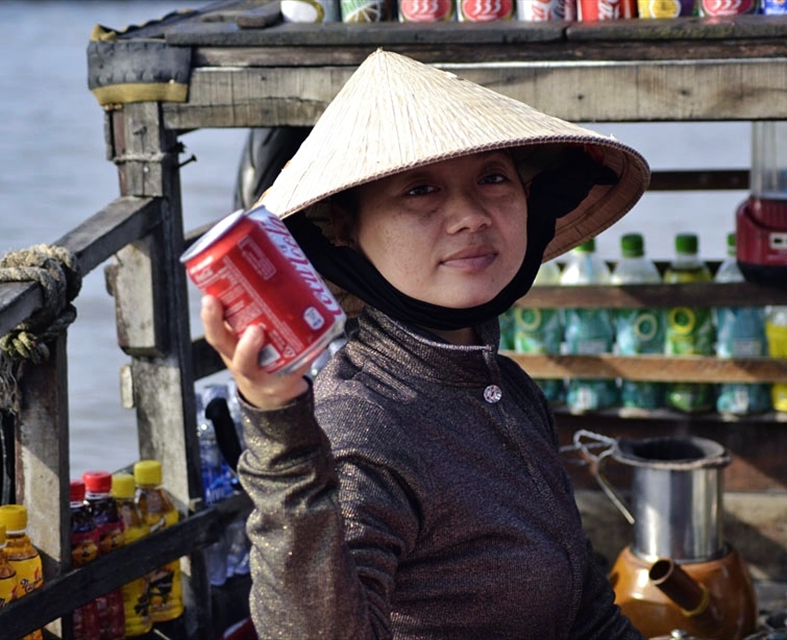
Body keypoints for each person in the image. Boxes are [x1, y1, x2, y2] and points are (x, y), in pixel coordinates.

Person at [201, 49, 650, 639]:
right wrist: (276, 422)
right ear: (345, 230)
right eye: (419, 190)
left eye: (492, 177)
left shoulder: (503, 386)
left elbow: (586, 613)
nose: (469, 216)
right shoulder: (362, 425)